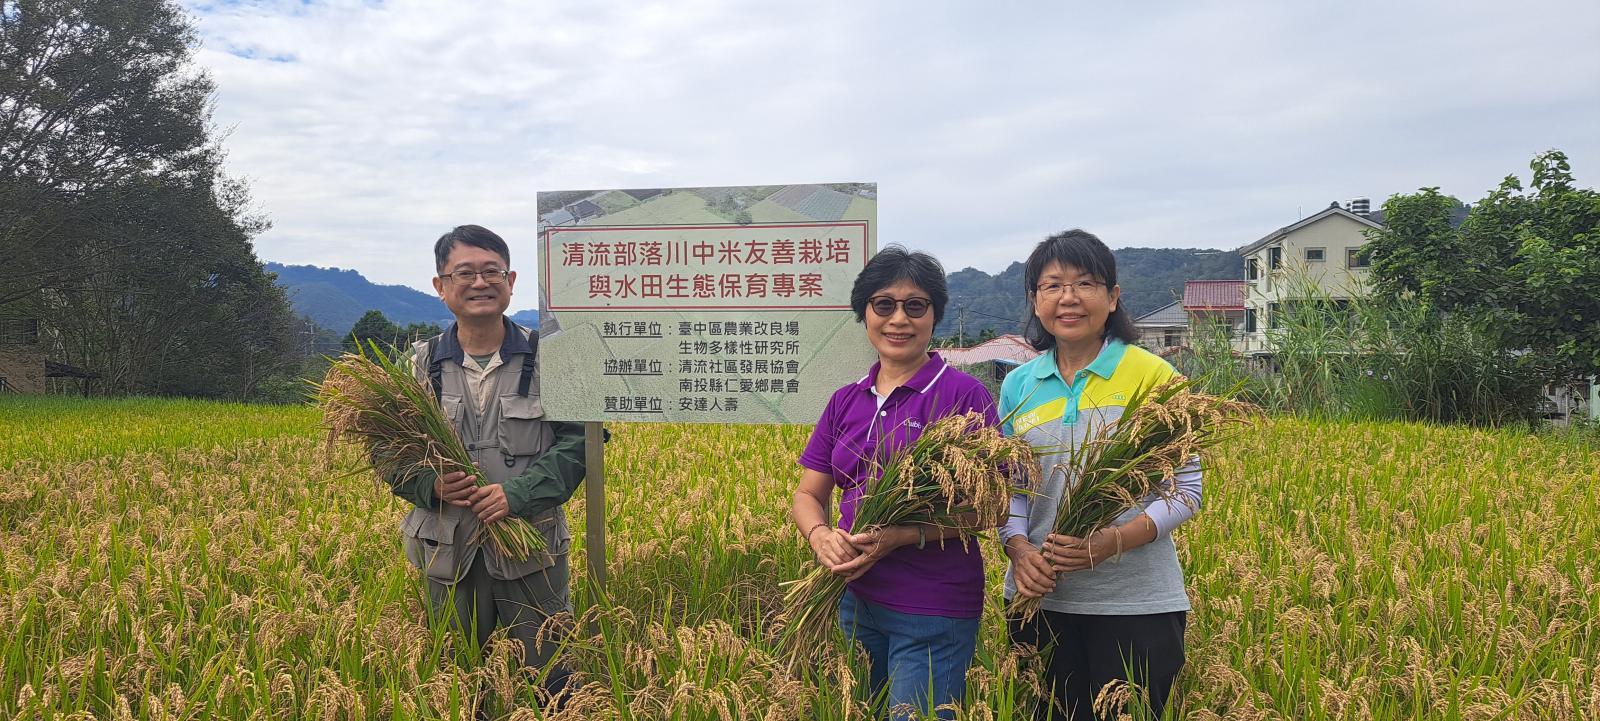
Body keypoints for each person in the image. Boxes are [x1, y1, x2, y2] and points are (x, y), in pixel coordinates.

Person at [1000, 229, 1202, 720]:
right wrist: (1019, 549)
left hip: (1136, 604)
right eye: (1052, 286)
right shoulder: (1017, 385)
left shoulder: (1153, 375)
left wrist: (1110, 542)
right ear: (1036, 301)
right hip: (1039, 601)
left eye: (1085, 284)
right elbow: (1011, 490)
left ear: (1112, 298)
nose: (1068, 298)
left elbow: (1186, 490)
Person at [790, 245, 999, 720]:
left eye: (915, 305)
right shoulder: (846, 400)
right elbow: (808, 493)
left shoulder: (963, 395)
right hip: (855, 599)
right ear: (864, 314)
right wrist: (821, 535)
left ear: (934, 316)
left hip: (932, 608)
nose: (898, 319)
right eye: (883, 305)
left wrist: (902, 536)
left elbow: (993, 507)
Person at [387, 224, 587, 699]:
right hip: (445, 549)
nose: (480, 283)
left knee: (551, 672)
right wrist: (427, 485)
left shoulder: (553, 359)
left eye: (491, 271)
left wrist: (517, 494)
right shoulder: (417, 366)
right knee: (457, 679)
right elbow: (387, 451)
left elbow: (581, 445)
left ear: (511, 280)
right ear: (441, 286)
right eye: (465, 273)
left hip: (531, 547)